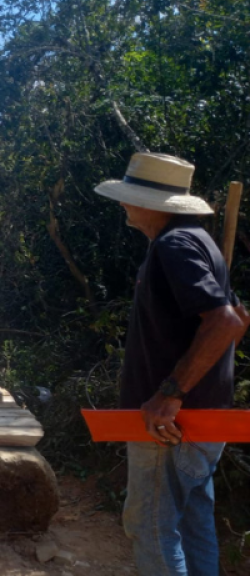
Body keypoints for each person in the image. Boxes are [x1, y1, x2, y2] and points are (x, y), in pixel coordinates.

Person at [94, 152, 250, 576]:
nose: (123, 204)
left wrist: (170, 394)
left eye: (129, 197)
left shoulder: (174, 244)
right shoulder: (197, 240)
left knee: (150, 524)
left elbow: (225, 321)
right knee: (193, 520)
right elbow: (239, 317)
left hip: (170, 424)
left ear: (152, 202)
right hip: (201, 418)